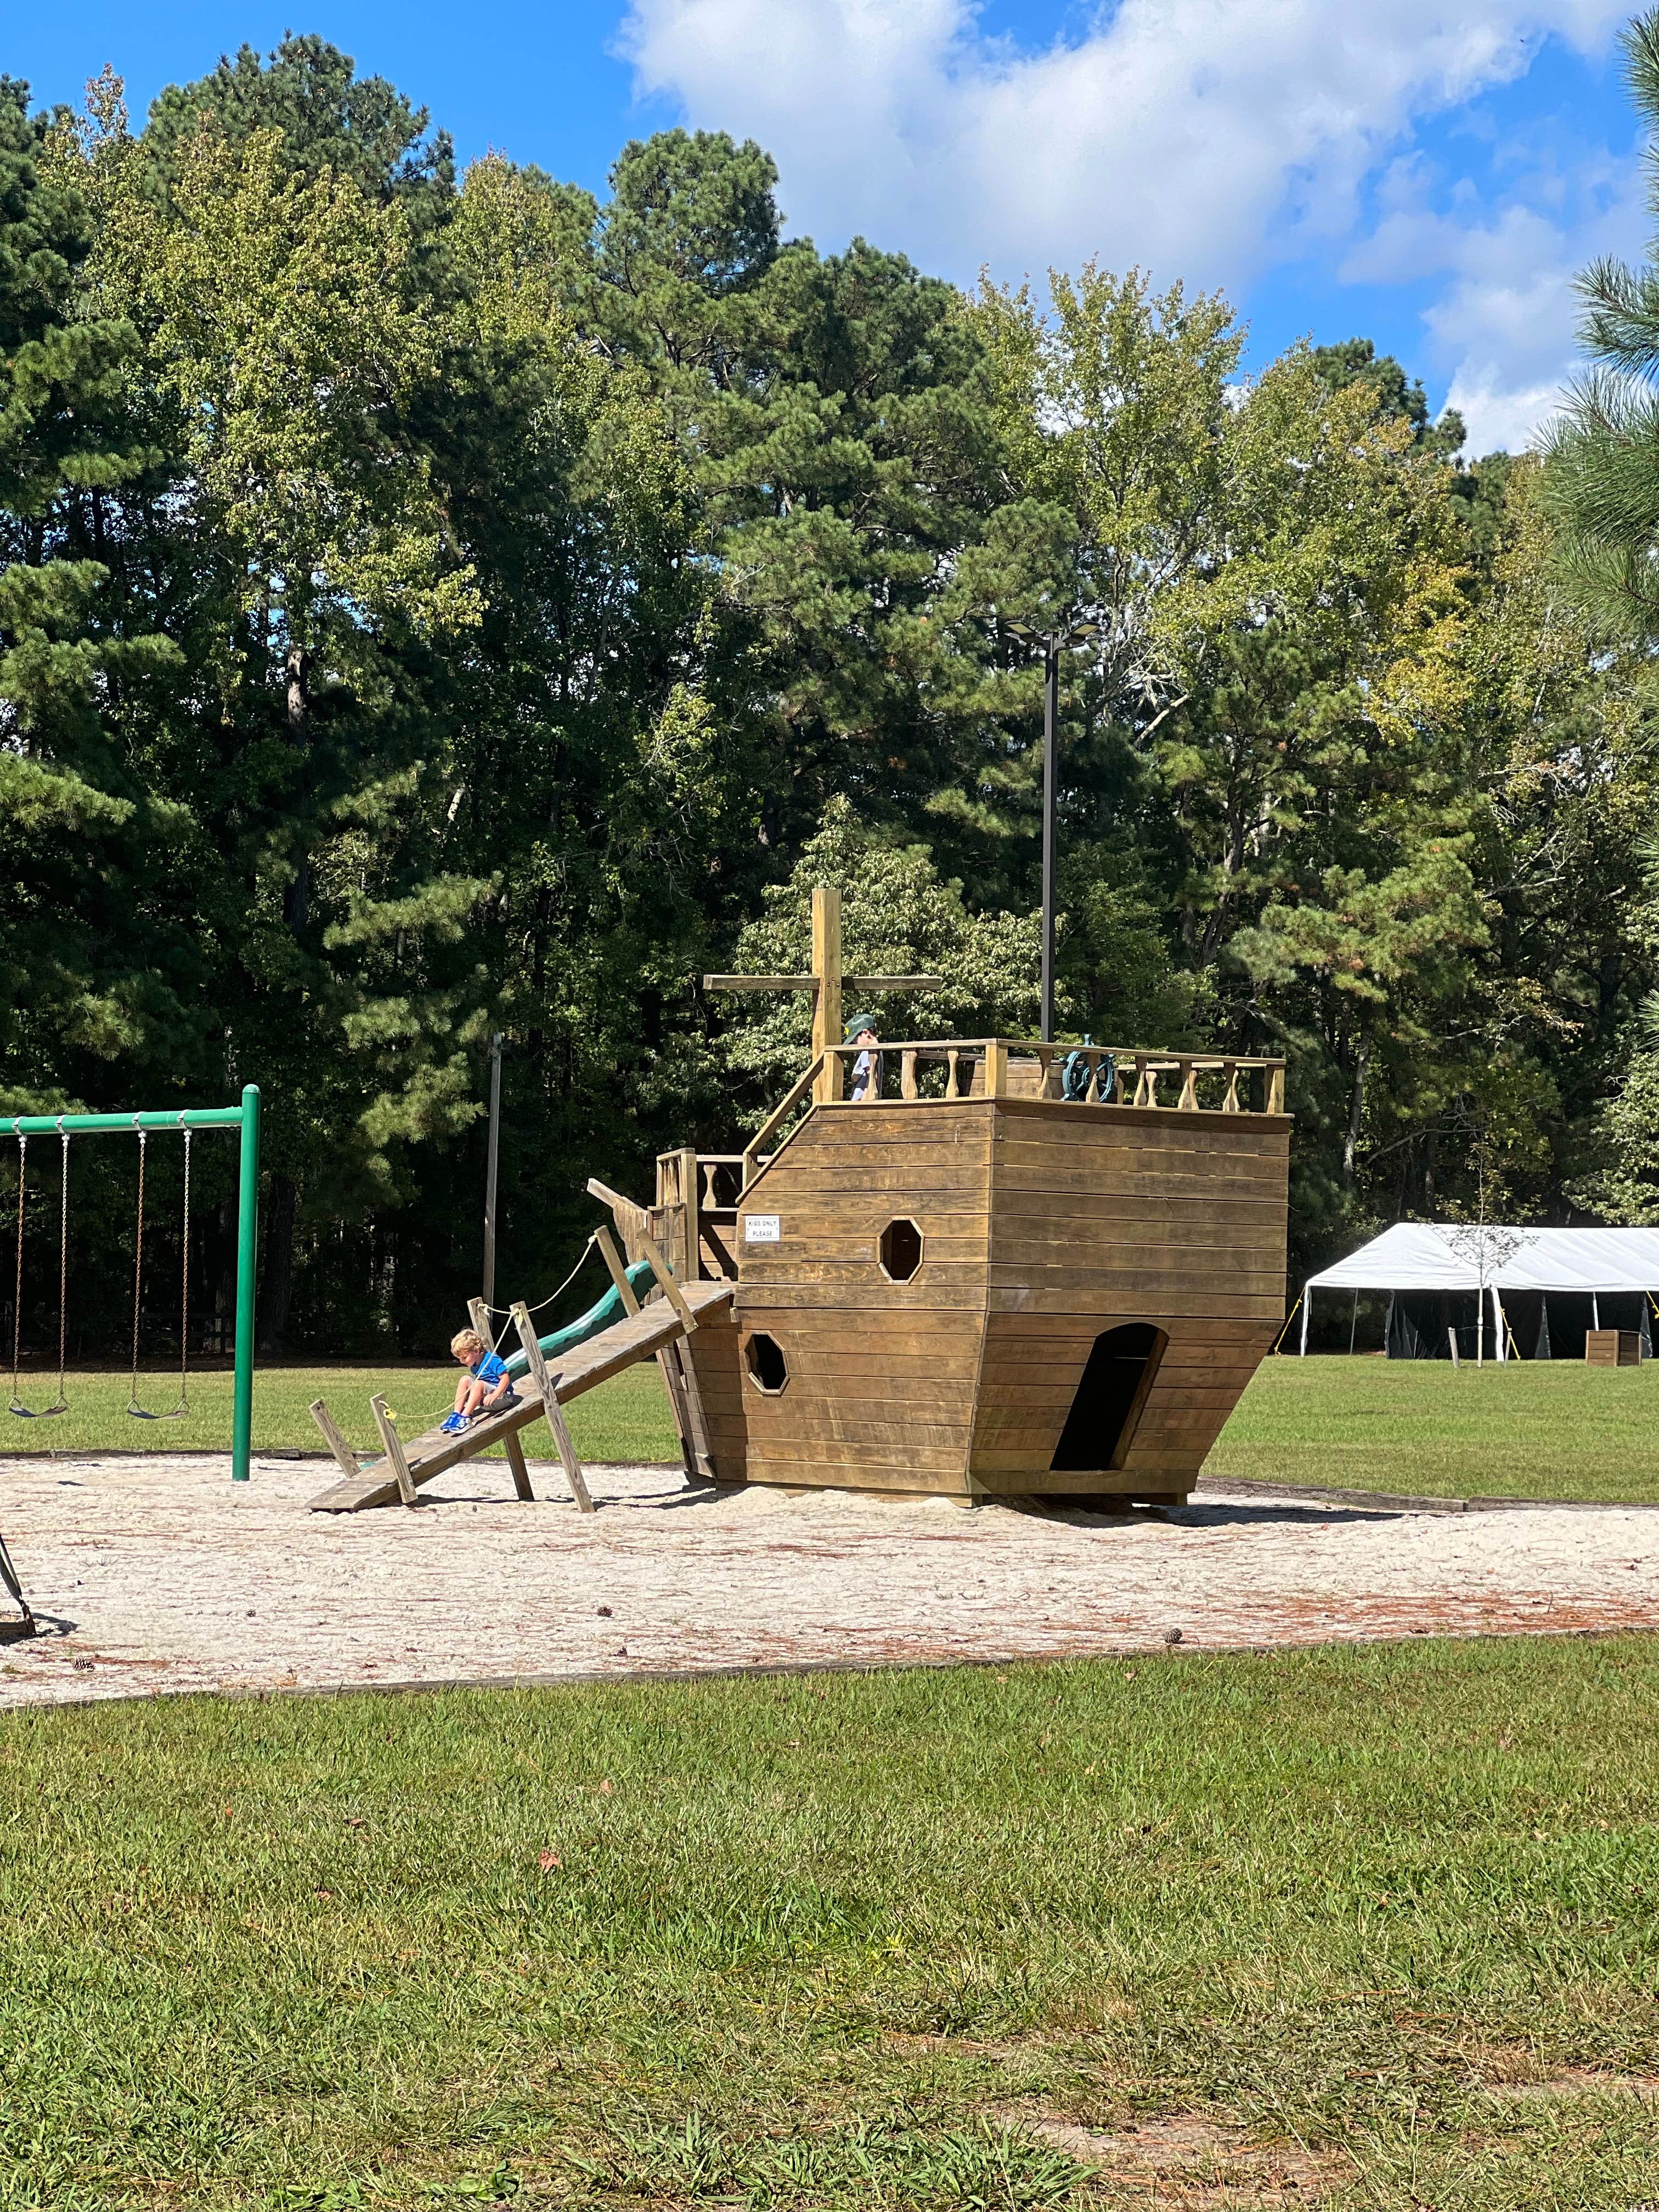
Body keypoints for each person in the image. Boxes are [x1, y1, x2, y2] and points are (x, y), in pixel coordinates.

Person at [442, 1328, 517, 1433]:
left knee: (478, 1384)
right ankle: (456, 1415)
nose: (462, 1362)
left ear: (476, 1351)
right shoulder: (474, 1364)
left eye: (465, 1357)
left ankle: (465, 1418)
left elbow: (505, 1379)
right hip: (486, 1400)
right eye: (460, 1359)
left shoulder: (492, 1360)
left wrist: (494, 1395)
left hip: (503, 1399)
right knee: (465, 1380)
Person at [846, 1013, 883, 1102]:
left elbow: (873, 1078)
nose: (855, 1044)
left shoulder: (867, 1052)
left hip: (862, 1102)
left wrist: (863, 1102)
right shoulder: (879, 1051)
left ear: (866, 1033)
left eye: (855, 1039)